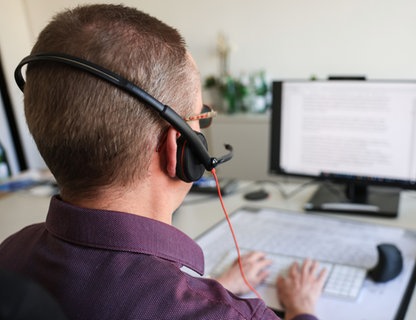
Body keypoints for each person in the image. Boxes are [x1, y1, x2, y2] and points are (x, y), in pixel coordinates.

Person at [0, 4, 326, 320]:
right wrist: (301, 309)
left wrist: (209, 289)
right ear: (177, 145)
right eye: (201, 118)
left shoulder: (10, 255)